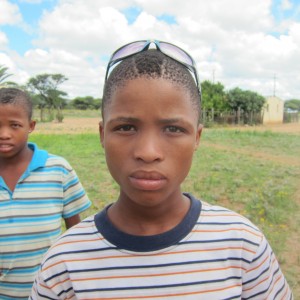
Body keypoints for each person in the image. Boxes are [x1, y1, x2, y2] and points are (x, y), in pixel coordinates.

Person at [30, 40, 293, 299]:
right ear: (102, 134)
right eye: (126, 127)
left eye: (173, 129)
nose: (148, 152)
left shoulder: (242, 245)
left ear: (197, 137)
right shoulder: (63, 264)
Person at [0, 87, 91, 299]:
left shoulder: (58, 170)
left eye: (15, 125)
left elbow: (74, 231)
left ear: (31, 126)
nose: (4, 134)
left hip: (49, 291)